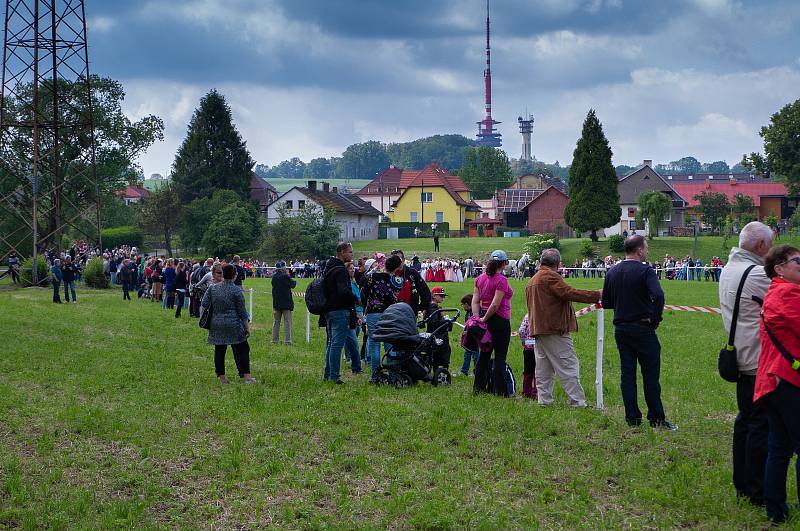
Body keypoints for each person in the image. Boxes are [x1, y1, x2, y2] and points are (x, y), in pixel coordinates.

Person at [719, 221, 773, 506]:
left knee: (745, 421)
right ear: (762, 246)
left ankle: (742, 482)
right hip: (756, 358)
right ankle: (756, 488)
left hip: (739, 354)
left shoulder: (729, 268)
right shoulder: (757, 274)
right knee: (759, 426)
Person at [602, 235, 676, 430]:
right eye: (646, 247)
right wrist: (655, 318)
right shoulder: (646, 271)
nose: (648, 251)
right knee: (650, 375)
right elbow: (658, 295)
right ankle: (656, 418)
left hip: (621, 329)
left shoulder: (612, 272)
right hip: (643, 328)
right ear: (639, 250)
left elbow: (607, 302)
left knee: (627, 374)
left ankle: (632, 418)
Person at [754, 244, 800, 524]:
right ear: (779, 269)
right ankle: (774, 506)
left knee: (779, 447)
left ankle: (775, 508)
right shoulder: (788, 293)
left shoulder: (777, 292)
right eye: (798, 260)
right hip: (787, 380)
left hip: (774, 379)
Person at [526, 248, 600, 407]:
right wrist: (597, 295)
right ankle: (578, 402)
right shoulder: (550, 276)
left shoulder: (533, 279)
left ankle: (544, 401)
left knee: (543, 371)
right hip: (554, 329)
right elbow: (568, 292)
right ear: (558, 263)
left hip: (539, 330)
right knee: (568, 366)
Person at [201, 264, 255, 384]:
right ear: (234, 275)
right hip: (234, 324)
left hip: (217, 323)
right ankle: (247, 377)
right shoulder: (237, 290)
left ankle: (222, 378)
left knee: (220, 350)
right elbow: (242, 312)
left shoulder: (212, 288)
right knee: (243, 349)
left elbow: (204, 303)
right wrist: (247, 327)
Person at [471, 250, 513, 396]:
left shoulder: (479, 279)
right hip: (499, 320)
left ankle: (479, 388)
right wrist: (484, 318)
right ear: (504, 263)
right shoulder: (501, 280)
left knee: (484, 355)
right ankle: (499, 391)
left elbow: (475, 301)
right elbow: (495, 305)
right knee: (500, 356)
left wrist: (478, 318)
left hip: (484, 319)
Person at [361, 254, 402, 383]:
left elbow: (364, 291)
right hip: (389, 313)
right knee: (390, 345)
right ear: (396, 268)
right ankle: (393, 375)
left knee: (374, 345)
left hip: (373, 312)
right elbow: (395, 298)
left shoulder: (372, 277)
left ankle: (375, 376)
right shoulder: (395, 281)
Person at [322, 242, 357, 384]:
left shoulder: (329, 267)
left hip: (329, 309)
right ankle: (334, 376)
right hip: (340, 309)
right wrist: (356, 298)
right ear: (342, 252)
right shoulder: (340, 270)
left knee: (331, 343)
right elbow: (343, 291)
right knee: (337, 344)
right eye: (350, 252)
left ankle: (328, 374)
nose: (351, 255)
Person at [390, 249, 431, 314]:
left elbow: (424, 290)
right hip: (392, 312)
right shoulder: (388, 275)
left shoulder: (412, 273)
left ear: (403, 260)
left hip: (410, 311)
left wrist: (421, 307)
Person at [344, 261, 364, 374]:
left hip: (360, 310)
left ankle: (350, 356)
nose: (352, 270)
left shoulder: (354, 281)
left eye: (353, 268)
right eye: (350, 269)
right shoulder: (348, 283)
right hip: (354, 310)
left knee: (356, 332)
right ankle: (348, 356)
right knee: (352, 337)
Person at [271, 261, 296, 345]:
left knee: (276, 322)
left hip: (276, 302)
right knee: (287, 322)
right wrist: (288, 275)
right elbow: (293, 284)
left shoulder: (274, 277)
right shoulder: (285, 276)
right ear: (283, 268)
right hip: (286, 303)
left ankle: (274, 340)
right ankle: (288, 340)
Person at [459, 293, 478, 376]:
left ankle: (477, 370)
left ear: (466, 304)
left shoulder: (474, 313)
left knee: (476, 355)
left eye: (463, 305)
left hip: (475, 339)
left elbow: (475, 324)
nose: (463, 307)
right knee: (467, 354)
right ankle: (464, 370)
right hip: (468, 338)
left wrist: (468, 331)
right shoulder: (468, 313)